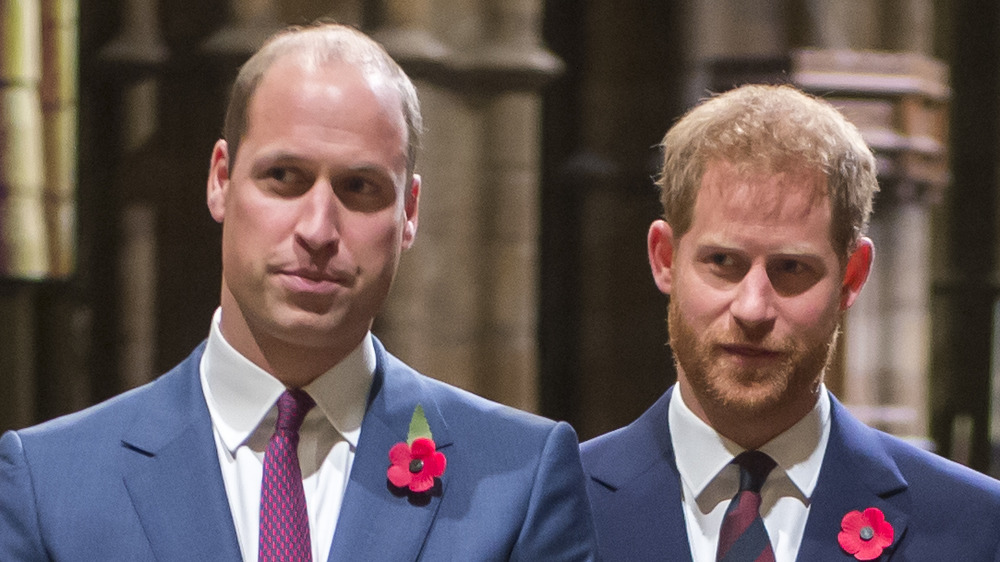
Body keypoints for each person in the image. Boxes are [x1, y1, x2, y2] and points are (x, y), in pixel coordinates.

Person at [0, 23, 597, 561]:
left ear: (409, 211)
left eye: (359, 187)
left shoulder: (517, 480)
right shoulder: (52, 485)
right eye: (283, 178)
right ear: (221, 180)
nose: (318, 229)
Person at [580, 84, 1000, 561]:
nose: (753, 309)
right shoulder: (558, 507)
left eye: (791, 269)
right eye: (722, 261)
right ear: (665, 259)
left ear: (851, 276)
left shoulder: (974, 528)